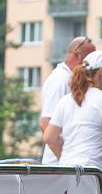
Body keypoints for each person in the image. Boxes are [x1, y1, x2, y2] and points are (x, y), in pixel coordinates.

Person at [38, 36, 96, 164]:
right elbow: (45, 124)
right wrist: (64, 161)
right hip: (58, 167)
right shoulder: (60, 81)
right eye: (90, 59)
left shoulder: (70, 80)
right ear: (77, 56)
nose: (93, 65)